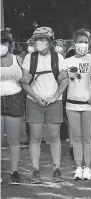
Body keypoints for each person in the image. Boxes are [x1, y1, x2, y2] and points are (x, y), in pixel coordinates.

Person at [21, 27, 68, 184]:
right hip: (34, 101)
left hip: (54, 102)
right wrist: (36, 97)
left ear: (50, 41)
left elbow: (65, 79)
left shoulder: (58, 57)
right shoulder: (30, 57)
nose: (40, 43)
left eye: (43, 39)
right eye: (37, 40)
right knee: (35, 137)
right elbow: (25, 82)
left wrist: (55, 97)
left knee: (55, 137)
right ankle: (35, 170)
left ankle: (56, 169)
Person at [63, 29, 91, 180]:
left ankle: (88, 168)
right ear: (74, 43)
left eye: (85, 42)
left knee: (88, 138)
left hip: (90, 105)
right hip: (72, 105)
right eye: (80, 42)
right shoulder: (67, 61)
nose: (82, 45)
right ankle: (78, 167)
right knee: (76, 138)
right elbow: (62, 81)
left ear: (89, 44)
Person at [1, 30, 31, 184]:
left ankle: (14, 172)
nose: (1, 45)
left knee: (14, 140)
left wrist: (28, 76)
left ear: (10, 44)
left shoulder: (18, 59)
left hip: (15, 101)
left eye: (4, 42)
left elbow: (27, 77)